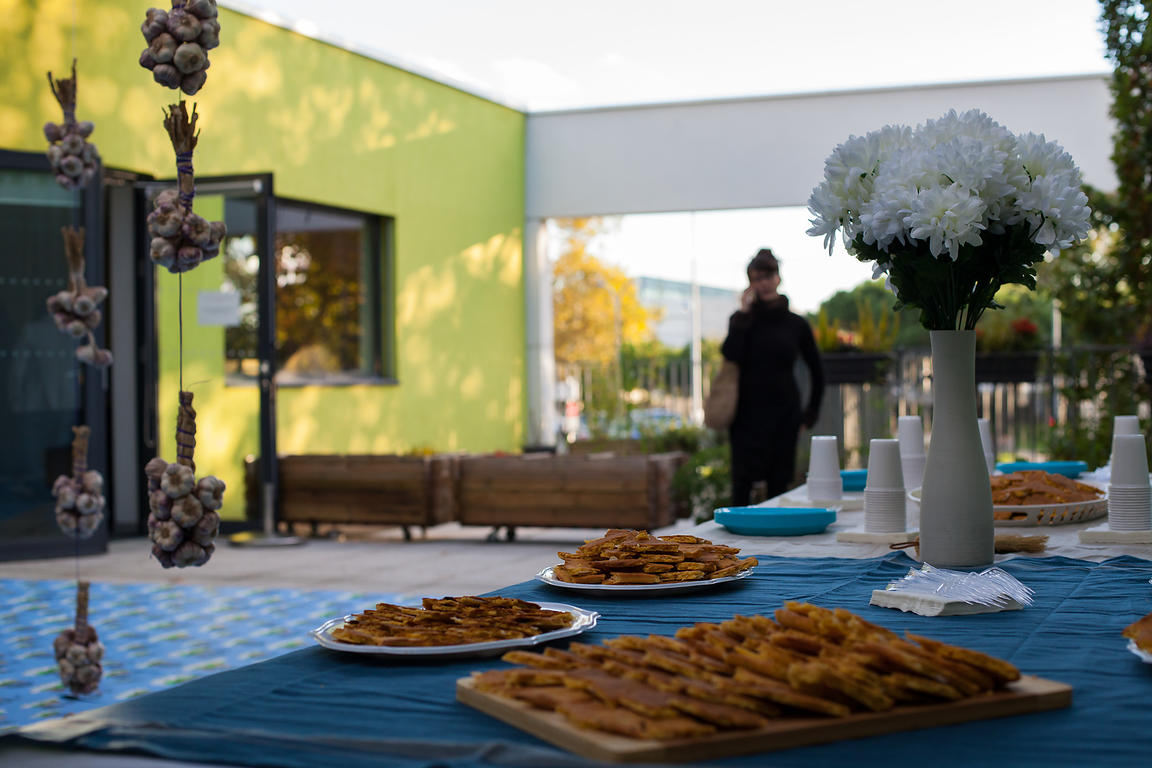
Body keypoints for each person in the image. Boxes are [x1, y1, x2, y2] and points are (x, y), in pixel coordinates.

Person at [720, 248, 824, 505]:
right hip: (746, 416)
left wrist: (809, 414)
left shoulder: (796, 323)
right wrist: (743, 315)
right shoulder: (741, 320)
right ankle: (736, 533)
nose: (764, 283)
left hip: (784, 414)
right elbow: (730, 354)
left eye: (768, 276)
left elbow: (817, 370)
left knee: (779, 484)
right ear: (750, 284)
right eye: (757, 278)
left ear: (778, 278)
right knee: (741, 485)